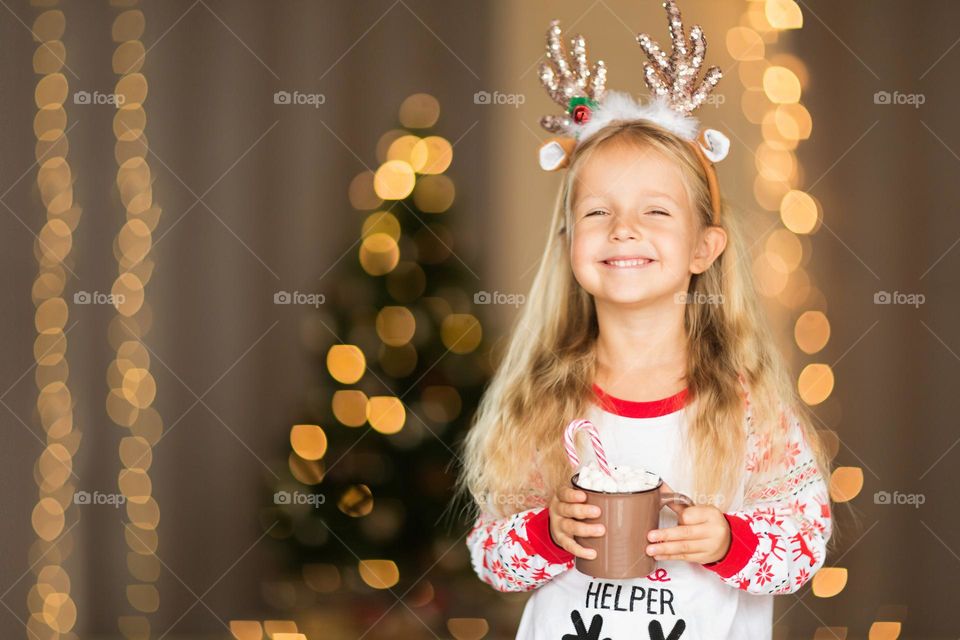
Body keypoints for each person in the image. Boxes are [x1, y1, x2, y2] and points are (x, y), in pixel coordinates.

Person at [456, 2, 834, 638]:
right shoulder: (545, 397)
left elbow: (803, 547)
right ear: (568, 240)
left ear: (702, 249)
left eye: (656, 212)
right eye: (599, 212)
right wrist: (546, 533)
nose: (624, 228)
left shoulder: (746, 404)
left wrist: (727, 542)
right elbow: (491, 557)